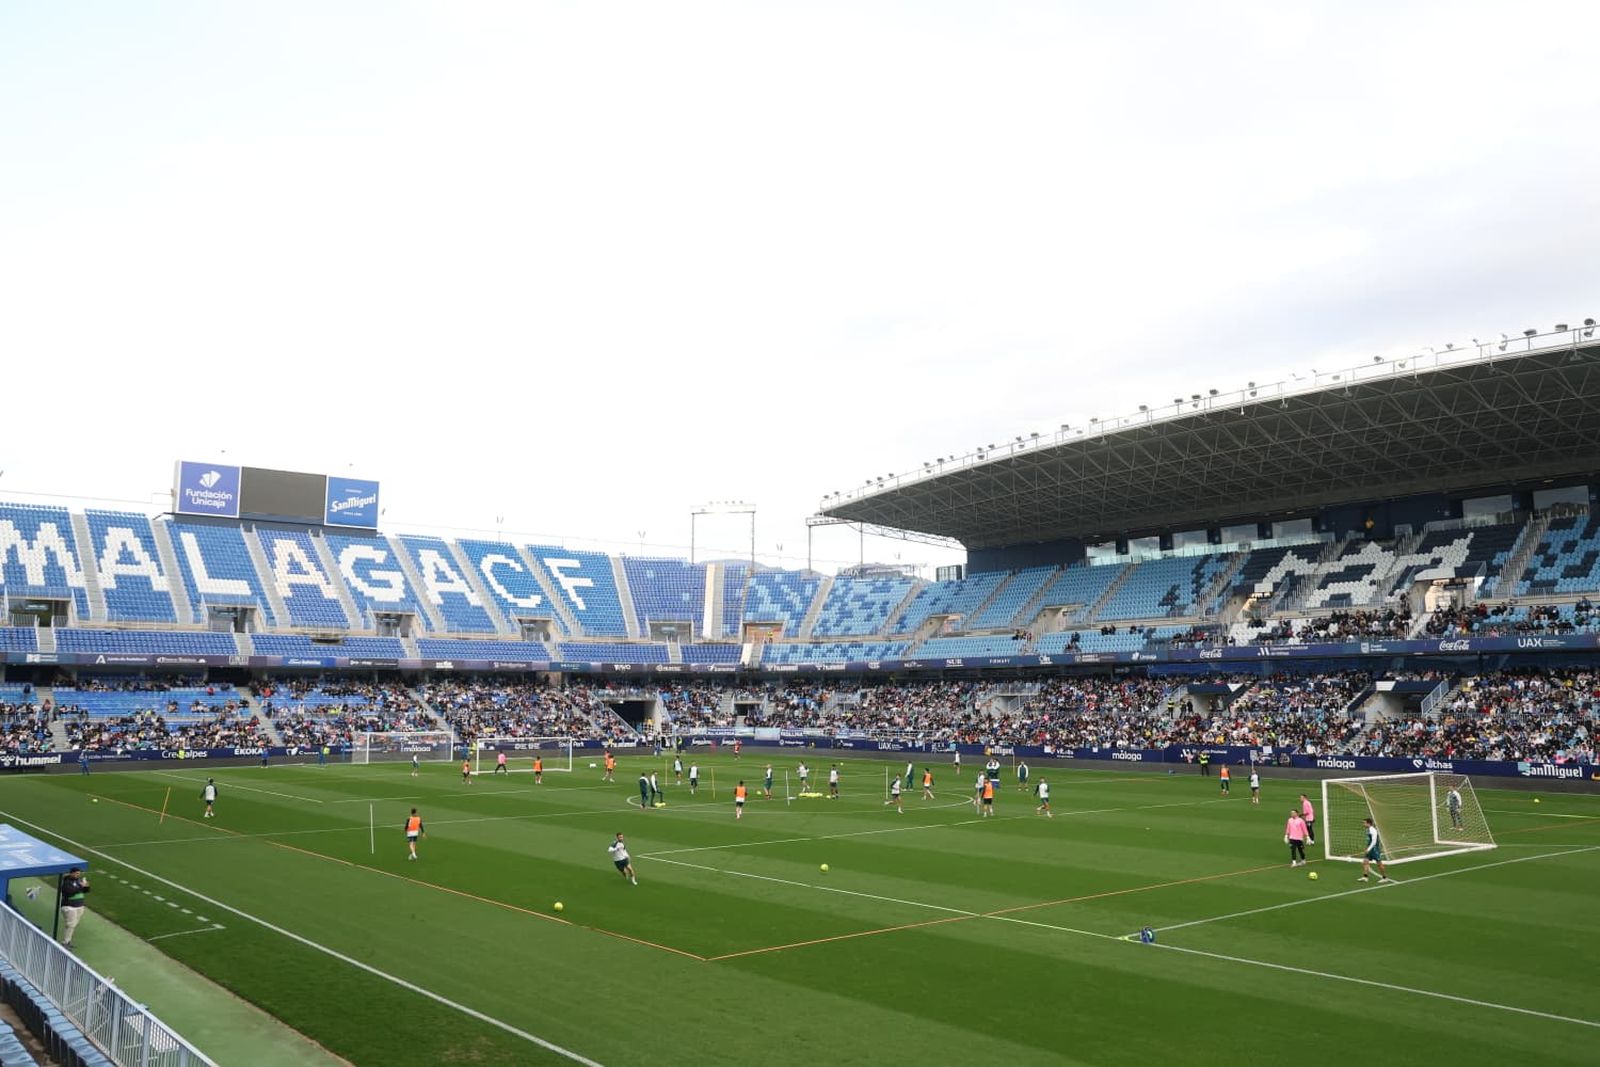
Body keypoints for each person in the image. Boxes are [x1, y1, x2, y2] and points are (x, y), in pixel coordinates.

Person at [59, 867, 90, 948]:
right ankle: (65, 942)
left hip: (79, 906)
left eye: (79, 873)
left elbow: (86, 891)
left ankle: (68, 941)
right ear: (71, 873)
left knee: (74, 924)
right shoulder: (67, 882)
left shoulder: (78, 881)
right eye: (76, 873)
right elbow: (69, 892)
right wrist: (81, 887)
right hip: (69, 907)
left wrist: (86, 886)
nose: (78, 875)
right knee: (71, 925)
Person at [1358, 817, 1391, 883]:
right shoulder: (1368, 829)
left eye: (1364, 823)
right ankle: (1365, 877)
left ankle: (1385, 878)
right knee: (1365, 861)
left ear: (1368, 823)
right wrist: (1367, 848)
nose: (1363, 824)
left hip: (1374, 849)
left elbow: (1374, 842)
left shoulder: (1373, 830)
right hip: (1370, 848)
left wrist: (1368, 849)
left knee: (1379, 864)